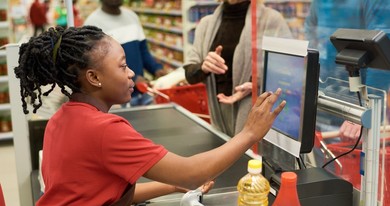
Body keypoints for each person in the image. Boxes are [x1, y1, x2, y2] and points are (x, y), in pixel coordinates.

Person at [12, 26, 285, 206]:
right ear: (94, 77)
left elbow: (94, 198)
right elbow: (192, 174)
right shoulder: (104, 129)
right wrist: (249, 133)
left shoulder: (62, 119)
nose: (131, 73)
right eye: (122, 66)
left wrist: (169, 186)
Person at [184, 0, 292, 137]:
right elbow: (190, 75)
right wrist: (204, 67)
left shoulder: (271, 20)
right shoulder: (206, 24)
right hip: (219, 119)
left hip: (256, 121)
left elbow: (286, 71)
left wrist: (256, 83)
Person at [304, 0, 390, 142]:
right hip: (322, 104)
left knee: (352, 160)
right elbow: (311, 37)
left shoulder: (375, 2)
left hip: (355, 116)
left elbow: (382, 59)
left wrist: (364, 111)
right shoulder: (320, 3)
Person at [84, 0, 165, 107]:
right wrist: (131, 78)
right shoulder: (92, 23)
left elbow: (143, 52)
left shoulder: (132, 17)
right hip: (116, 100)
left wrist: (156, 69)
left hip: (141, 93)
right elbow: (97, 66)